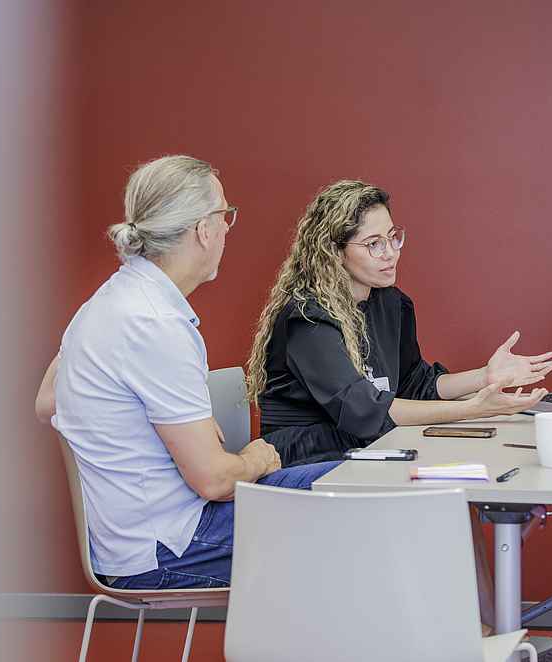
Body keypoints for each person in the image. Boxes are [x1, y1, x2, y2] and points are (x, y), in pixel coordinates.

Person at [245, 180, 552, 661]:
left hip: (365, 453)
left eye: (393, 237)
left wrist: (486, 376)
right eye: (373, 243)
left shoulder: (389, 302)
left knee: (451, 496)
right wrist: (475, 408)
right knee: (434, 497)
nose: (389, 253)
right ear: (334, 251)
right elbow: (364, 413)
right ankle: (482, 642)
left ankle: (486, 639)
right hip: (309, 462)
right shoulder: (307, 318)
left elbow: (415, 385)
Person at [35, 155, 339, 589]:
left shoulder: (106, 301)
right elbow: (215, 481)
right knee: (358, 501)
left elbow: (49, 404)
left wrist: (156, 422)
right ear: (203, 230)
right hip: (169, 547)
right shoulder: (157, 324)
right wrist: (254, 459)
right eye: (225, 214)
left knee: (349, 479)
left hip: (133, 540)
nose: (228, 228)